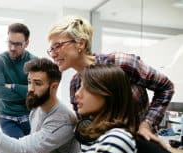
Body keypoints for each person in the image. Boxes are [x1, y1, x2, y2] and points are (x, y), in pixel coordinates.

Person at [47, 15, 175, 142]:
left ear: (80, 43)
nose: (53, 54)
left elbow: (166, 87)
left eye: (57, 46)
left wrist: (147, 124)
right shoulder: (75, 84)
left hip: (141, 144)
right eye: (51, 49)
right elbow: (87, 125)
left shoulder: (121, 63)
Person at [72, 64, 139, 153]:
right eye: (80, 87)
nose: (77, 94)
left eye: (86, 87)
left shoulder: (116, 140)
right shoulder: (93, 139)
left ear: (108, 93)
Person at [0, 23, 36, 139]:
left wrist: (13, 86)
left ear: (26, 44)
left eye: (17, 44)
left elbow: (37, 93)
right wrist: (26, 91)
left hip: (30, 116)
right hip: (7, 117)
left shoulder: (35, 62)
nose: (12, 48)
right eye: (10, 42)